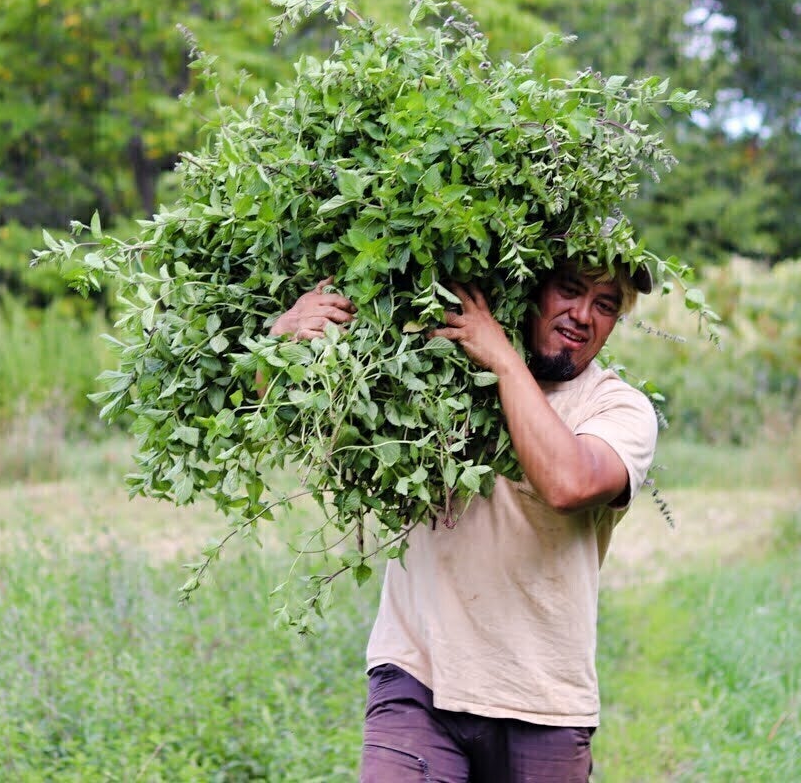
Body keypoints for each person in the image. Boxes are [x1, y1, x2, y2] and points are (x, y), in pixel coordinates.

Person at [270, 260, 658, 782]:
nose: (583, 315)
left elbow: (569, 484)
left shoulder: (616, 407)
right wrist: (284, 342)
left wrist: (501, 359)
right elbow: (289, 418)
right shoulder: (435, 369)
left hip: (544, 704)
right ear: (530, 288)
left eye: (606, 305)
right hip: (418, 677)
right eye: (569, 291)